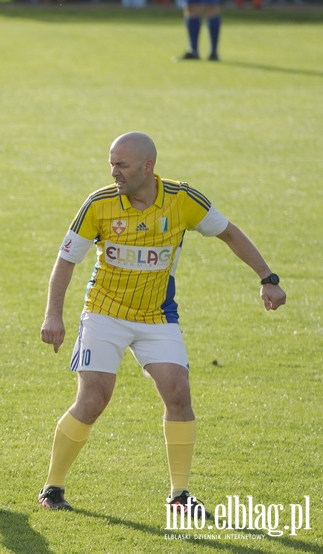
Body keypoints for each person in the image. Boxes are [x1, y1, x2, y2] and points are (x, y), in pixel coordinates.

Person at [37, 132, 286, 516]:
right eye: (111, 164)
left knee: (178, 392)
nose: (114, 172)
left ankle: (180, 496)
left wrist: (267, 278)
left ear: (148, 166)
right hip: (104, 312)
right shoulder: (99, 204)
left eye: (122, 165)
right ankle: (52, 487)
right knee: (93, 398)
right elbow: (66, 260)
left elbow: (229, 233)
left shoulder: (183, 200)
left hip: (157, 316)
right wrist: (53, 314)